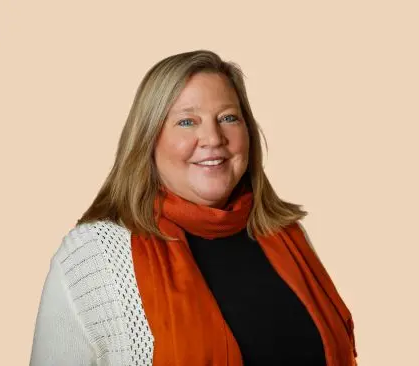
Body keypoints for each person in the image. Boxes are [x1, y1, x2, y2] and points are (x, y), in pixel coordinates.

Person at [30, 50, 358, 366]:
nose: (213, 137)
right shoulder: (93, 257)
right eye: (187, 122)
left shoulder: (288, 236)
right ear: (149, 139)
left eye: (228, 118)